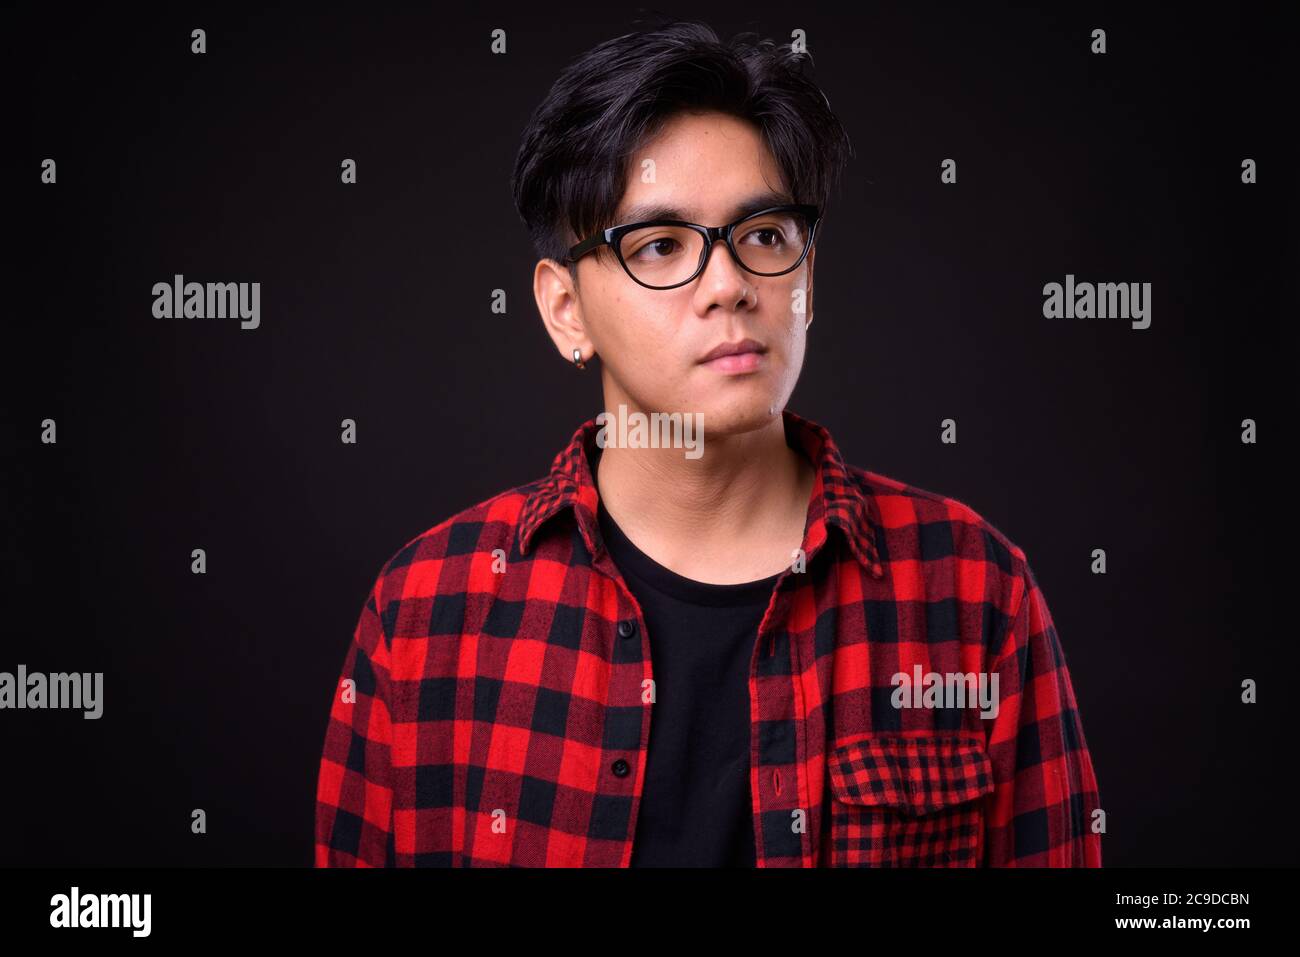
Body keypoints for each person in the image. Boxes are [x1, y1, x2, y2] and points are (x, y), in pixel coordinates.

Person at [315, 18, 1102, 867]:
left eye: (763, 236)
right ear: (564, 310)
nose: (727, 286)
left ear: (807, 276)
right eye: (660, 246)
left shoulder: (974, 591)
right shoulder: (427, 611)